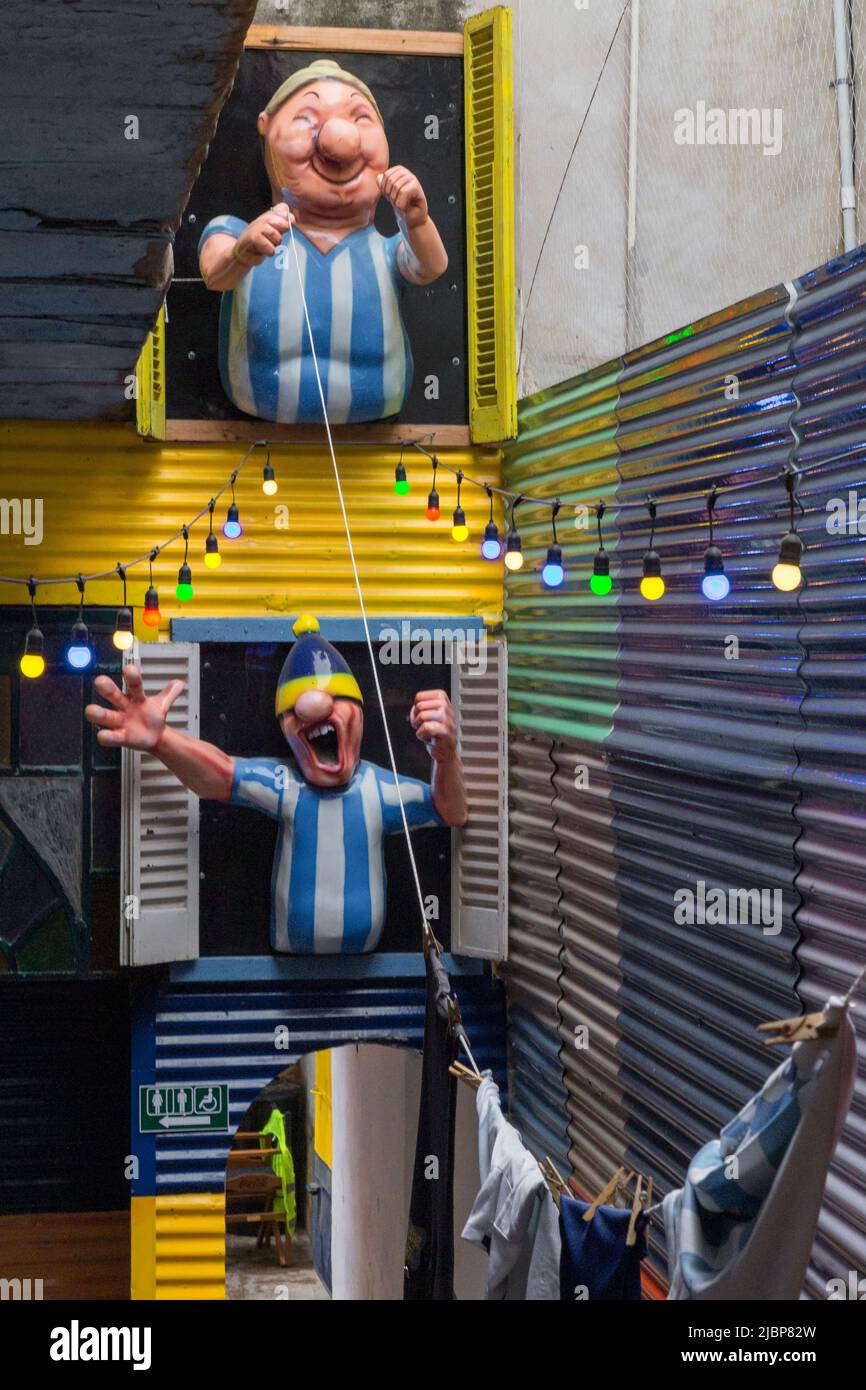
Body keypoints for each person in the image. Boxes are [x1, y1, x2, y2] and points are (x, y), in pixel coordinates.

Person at [85, 616, 467, 954]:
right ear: (285, 729)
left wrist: (446, 756)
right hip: (287, 962)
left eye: (337, 700)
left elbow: (449, 810)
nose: (315, 706)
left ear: (360, 716)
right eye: (297, 707)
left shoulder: (379, 790)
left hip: (369, 966)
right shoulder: (285, 785)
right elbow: (221, 773)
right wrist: (161, 739)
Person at [197, 58, 449, 423]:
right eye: (305, 117)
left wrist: (417, 220)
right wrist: (242, 253)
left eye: (362, 117)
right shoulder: (236, 231)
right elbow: (215, 274)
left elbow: (431, 266)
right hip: (257, 424)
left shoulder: (386, 251)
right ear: (266, 128)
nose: (340, 138)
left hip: (377, 430)